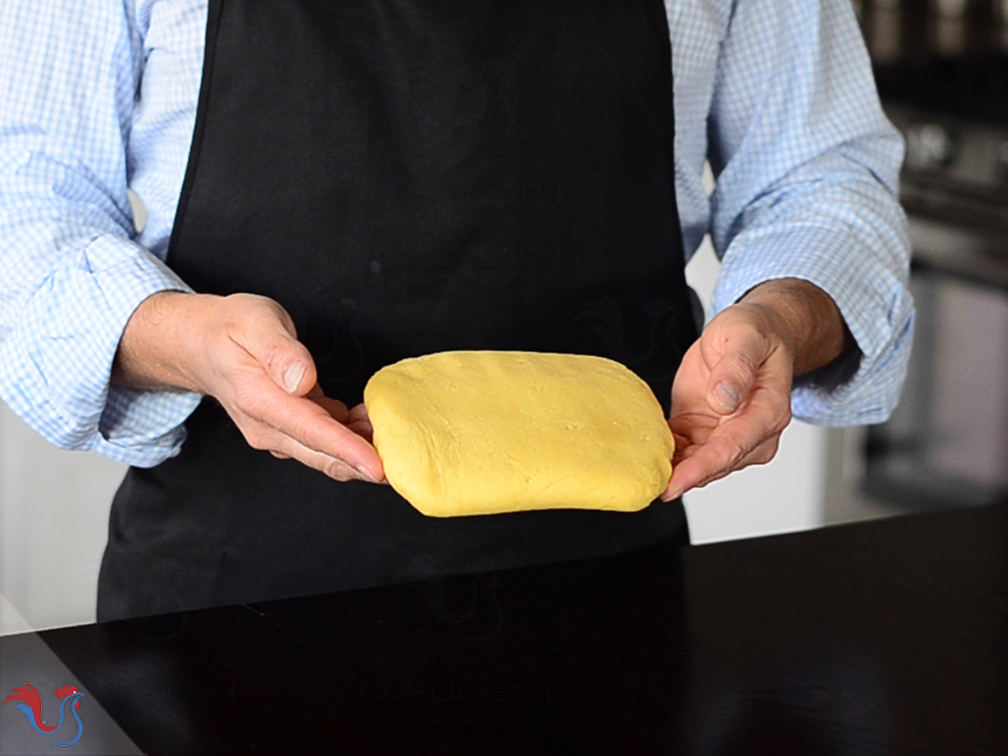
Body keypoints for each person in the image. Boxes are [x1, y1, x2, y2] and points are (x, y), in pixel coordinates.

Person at [0, 0, 913, 621]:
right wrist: (184, 340)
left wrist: (785, 321)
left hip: (610, 616)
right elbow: (25, 208)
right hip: (230, 614)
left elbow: (821, 177)